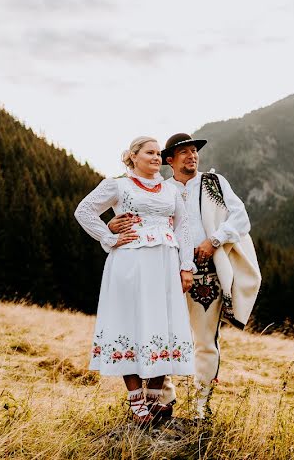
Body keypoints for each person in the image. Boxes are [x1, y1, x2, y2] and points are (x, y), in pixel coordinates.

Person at [108, 132, 261, 419]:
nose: (192, 156)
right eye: (184, 153)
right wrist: (113, 226)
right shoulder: (160, 189)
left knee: (204, 341)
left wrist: (214, 239)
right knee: (163, 336)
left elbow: (240, 218)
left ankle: (201, 406)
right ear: (170, 160)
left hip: (207, 275)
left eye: (194, 151)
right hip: (166, 272)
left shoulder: (215, 183)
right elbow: (137, 214)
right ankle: (163, 401)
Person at [75, 136, 196, 425]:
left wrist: (186, 267)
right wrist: (109, 237)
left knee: (162, 323)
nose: (156, 157)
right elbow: (83, 211)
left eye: (158, 153)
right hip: (129, 264)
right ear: (134, 156)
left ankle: (155, 398)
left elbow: (184, 227)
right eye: (150, 153)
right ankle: (136, 401)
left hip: (166, 265)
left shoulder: (170, 190)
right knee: (129, 323)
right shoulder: (118, 185)